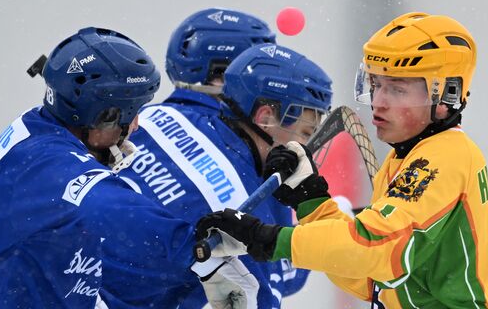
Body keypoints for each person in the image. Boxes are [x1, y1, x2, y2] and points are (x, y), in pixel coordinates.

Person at [195, 12, 488, 308]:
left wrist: (266, 239)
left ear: (445, 95)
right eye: (375, 85)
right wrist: (311, 201)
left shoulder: (444, 157)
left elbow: (376, 249)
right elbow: (368, 275)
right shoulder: (404, 159)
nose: (378, 102)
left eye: (397, 89)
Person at [0, 27, 253, 308]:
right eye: (130, 113)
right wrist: (198, 251)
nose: (135, 126)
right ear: (102, 116)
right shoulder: (45, 162)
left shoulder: (38, 126)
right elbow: (108, 206)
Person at [106, 40, 331, 308]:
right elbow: (265, 295)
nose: (305, 149)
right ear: (266, 116)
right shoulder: (244, 210)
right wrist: (325, 230)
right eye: (305, 132)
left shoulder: (159, 113)